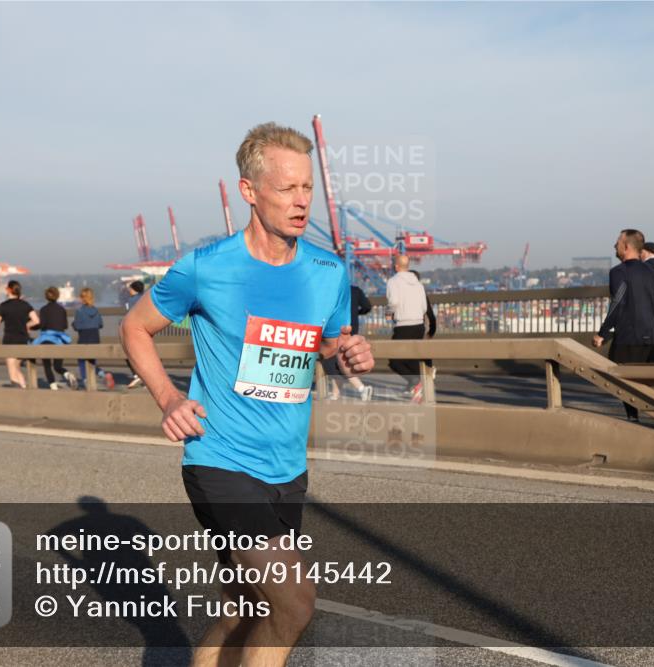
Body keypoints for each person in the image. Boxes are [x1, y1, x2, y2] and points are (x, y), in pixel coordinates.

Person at [120, 122, 374, 667]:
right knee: (295, 602)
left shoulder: (329, 272)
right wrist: (167, 398)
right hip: (221, 459)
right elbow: (134, 328)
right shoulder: (206, 268)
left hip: (286, 465)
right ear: (249, 191)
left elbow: (328, 345)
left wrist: (351, 352)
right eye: (287, 188)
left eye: (308, 188)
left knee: (246, 607)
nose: (302, 201)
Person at [593, 230, 654, 421]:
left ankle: (633, 417)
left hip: (628, 335)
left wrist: (602, 332)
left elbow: (618, 302)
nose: (614, 245)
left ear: (626, 247)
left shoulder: (619, 272)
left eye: (617, 241)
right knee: (648, 379)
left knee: (621, 379)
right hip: (651, 335)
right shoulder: (651, 271)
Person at [320, 283, 374, 401]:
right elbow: (367, 306)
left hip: (335, 332)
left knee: (330, 362)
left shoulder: (331, 289)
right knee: (339, 361)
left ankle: (362, 388)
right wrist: (357, 312)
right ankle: (335, 393)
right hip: (352, 330)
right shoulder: (355, 290)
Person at [386, 254, 428, 402]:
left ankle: (416, 382)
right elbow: (424, 307)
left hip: (403, 324)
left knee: (394, 361)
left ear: (396, 266)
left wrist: (389, 313)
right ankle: (418, 387)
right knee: (412, 358)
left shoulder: (393, 282)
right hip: (419, 325)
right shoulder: (418, 283)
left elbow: (394, 301)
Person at [0, 280, 39, 388]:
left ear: (9, 290)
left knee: (12, 371)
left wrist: (2, 320)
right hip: (22, 340)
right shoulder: (25, 305)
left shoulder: (3, 306)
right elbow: (37, 321)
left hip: (9, 341)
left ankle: (19, 396)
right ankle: (24, 389)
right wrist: (27, 325)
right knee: (16, 368)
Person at [35, 286, 78, 390]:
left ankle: (53, 385)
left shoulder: (44, 310)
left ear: (46, 297)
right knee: (57, 366)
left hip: (46, 340)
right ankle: (68, 375)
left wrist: (33, 326)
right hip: (59, 340)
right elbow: (65, 325)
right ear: (57, 296)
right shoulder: (62, 309)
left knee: (47, 365)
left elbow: (42, 325)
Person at [73, 287, 115, 389]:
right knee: (92, 361)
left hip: (84, 337)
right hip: (95, 337)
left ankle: (85, 380)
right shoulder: (96, 310)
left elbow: (77, 326)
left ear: (82, 298)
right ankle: (103, 374)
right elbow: (100, 324)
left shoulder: (79, 311)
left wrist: (74, 324)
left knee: (82, 361)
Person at [411, 269, 438, 378]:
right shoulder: (422, 294)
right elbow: (431, 315)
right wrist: (431, 332)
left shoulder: (403, 295)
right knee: (423, 352)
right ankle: (429, 371)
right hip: (420, 327)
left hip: (407, 327)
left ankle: (414, 381)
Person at [125, 280, 146, 388]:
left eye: (130, 289)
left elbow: (128, 314)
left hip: (133, 329)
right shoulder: (145, 298)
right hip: (146, 328)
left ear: (134, 289)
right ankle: (146, 378)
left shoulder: (131, 301)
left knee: (129, 353)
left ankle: (137, 374)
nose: (129, 290)